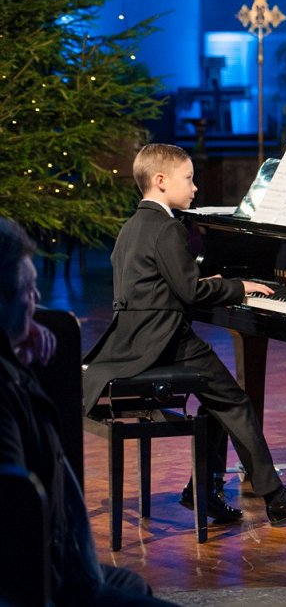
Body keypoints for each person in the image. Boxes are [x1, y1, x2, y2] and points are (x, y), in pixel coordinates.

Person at [81, 144, 286, 527]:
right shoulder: (168, 228)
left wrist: (203, 281)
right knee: (236, 400)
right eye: (188, 178)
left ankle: (203, 491)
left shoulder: (133, 226)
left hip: (132, 339)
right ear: (161, 181)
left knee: (217, 399)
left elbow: (160, 283)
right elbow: (191, 292)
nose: (195, 188)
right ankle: (277, 499)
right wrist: (239, 287)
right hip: (164, 340)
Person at [0, 217, 176, 605]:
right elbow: (15, 514)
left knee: (133, 585)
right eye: (29, 293)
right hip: (49, 583)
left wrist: (16, 337)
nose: (36, 304)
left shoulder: (14, 358)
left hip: (67, 563)